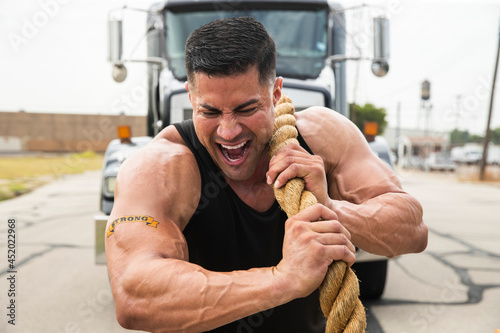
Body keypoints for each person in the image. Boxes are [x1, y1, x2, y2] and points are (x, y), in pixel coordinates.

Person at [105, 17, 427, 333]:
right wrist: (282, 280)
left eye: (247, 109)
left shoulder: (323, 135)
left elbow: (413, 229)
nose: (228, 131)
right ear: (191, 96)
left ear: (275, 93)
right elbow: (135, 295)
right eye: (210, 111)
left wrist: (329, 207)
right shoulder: (161, 166)